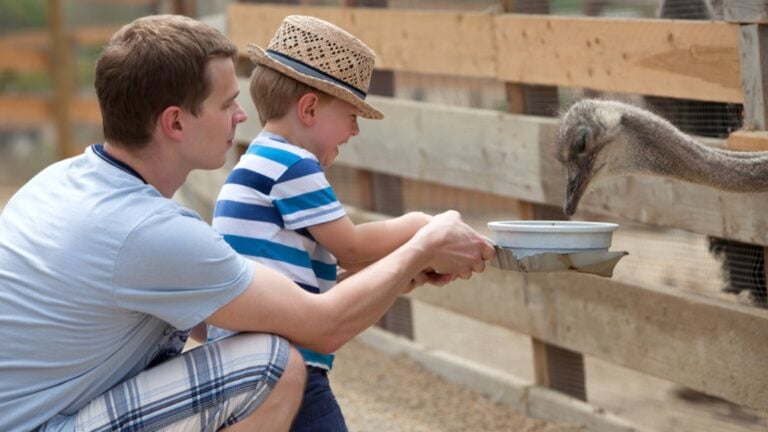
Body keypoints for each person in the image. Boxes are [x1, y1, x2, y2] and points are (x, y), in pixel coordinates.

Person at [0, 14, 494, 432]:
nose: (242, 116)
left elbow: (238, 311)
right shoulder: (148, 232)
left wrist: (397, 275)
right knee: (270, 365)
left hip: (35, 412)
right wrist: (423, 241)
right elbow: (321, 327)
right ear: (175, 123)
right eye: (226, 103)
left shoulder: (63, 179)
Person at [206, 15, 433, 431]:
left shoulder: (258, 159)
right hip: (287, 359)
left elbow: (315, 273)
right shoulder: (294, 165)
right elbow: (352, 246)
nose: (355, 131)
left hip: (244, 356)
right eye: (350, 116)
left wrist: (400, 272)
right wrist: (422, 226)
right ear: (309, 108)